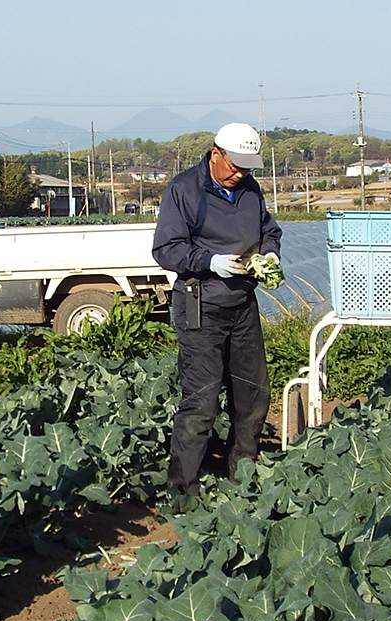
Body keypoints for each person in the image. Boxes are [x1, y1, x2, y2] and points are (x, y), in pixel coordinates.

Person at [152, 122, 282, 498]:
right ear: (215, 154)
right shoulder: (183, 190)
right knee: (201, 402)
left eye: (248, 167)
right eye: (236, 165)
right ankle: (183, 491)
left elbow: (269, 230)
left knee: (253, 396)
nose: (241, 173)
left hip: (242, 304)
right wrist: (210, 261)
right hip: (200, 303)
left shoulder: (249, 190)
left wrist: (270, 252)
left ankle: (242, 479)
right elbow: (166, 249)